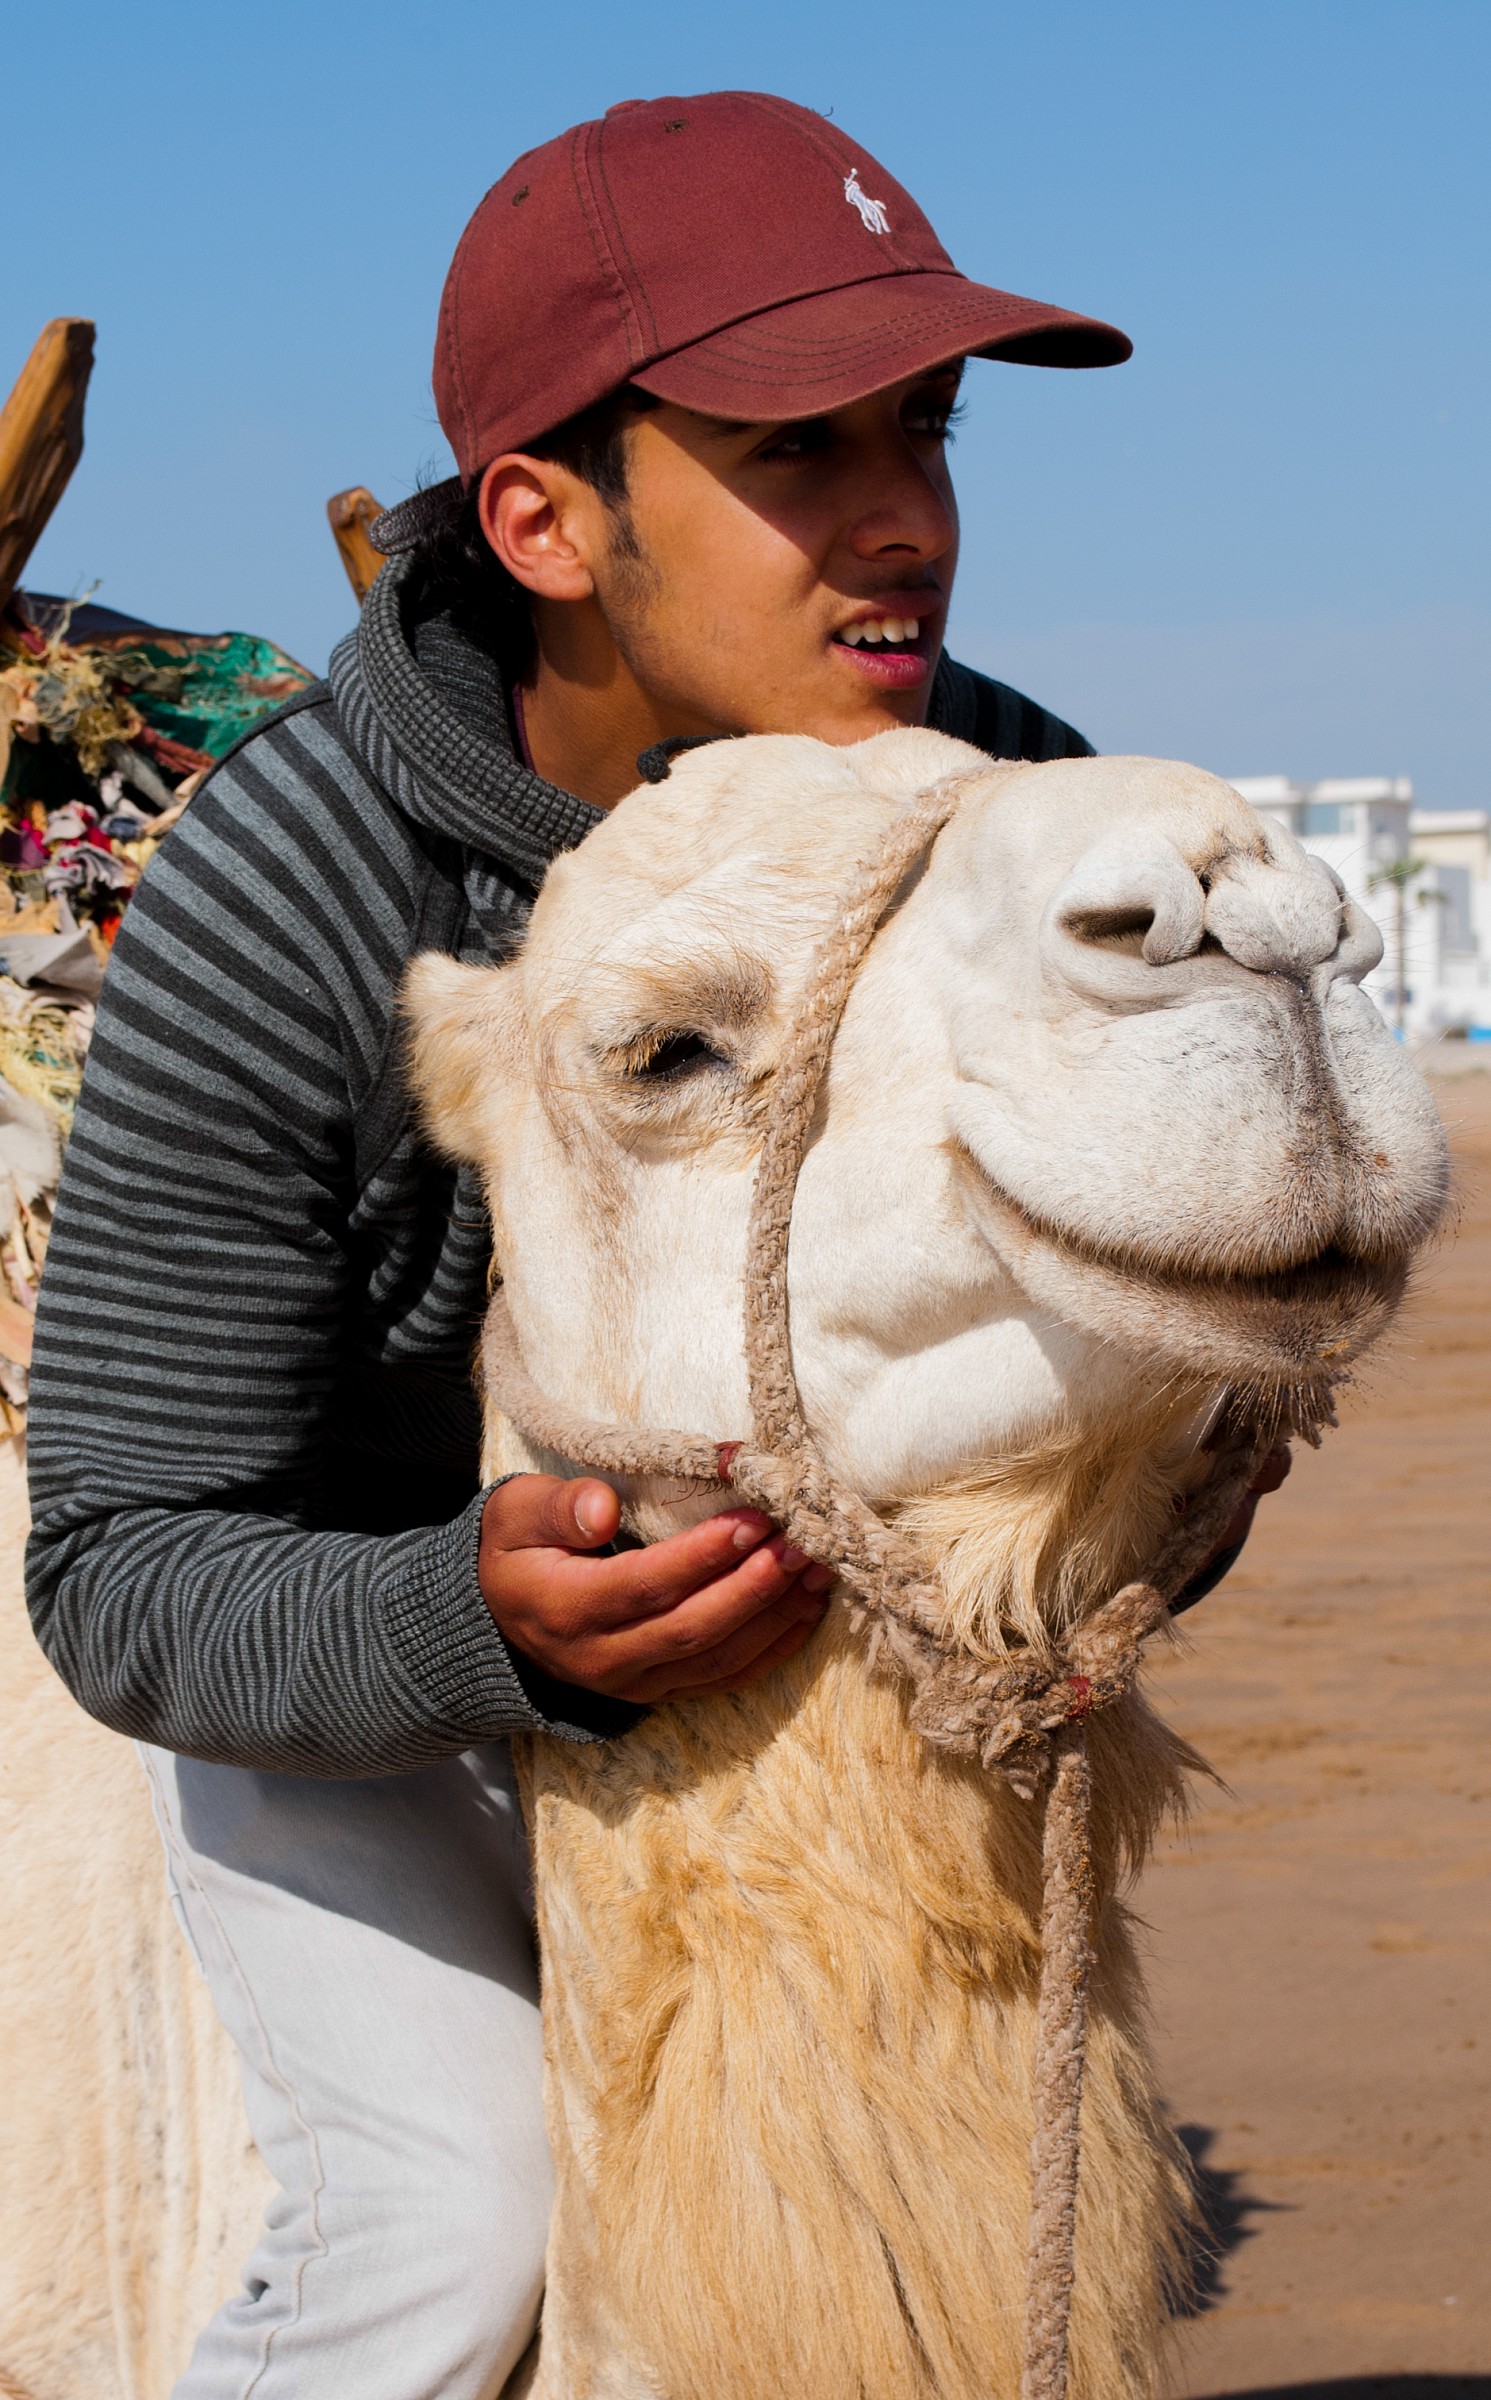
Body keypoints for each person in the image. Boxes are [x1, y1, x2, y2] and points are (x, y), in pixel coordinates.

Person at [25, 88, 1284, 2399]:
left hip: (831, 1702)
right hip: (360, 1697)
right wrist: (463, 1619)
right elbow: (117, 1558)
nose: (904, 520)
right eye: (793, 452)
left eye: (923, 427)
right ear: (544, 517)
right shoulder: (287, 893)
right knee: (454, 2234)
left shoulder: (988, 818)